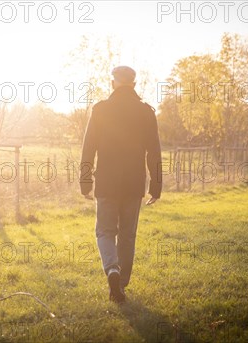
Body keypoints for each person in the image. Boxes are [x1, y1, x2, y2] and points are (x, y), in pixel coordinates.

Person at [80, 65, 162, 304]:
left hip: (106, 182)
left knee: (105, 231)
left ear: (113, 83)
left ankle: (112, 270)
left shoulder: (101, 110)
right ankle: (121, 285)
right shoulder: (146, 112)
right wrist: (155, 187)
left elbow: (88, 149)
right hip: (133, 184)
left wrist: (85, 182)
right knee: (127, 235)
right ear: (134, 85)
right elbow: (154, 153)